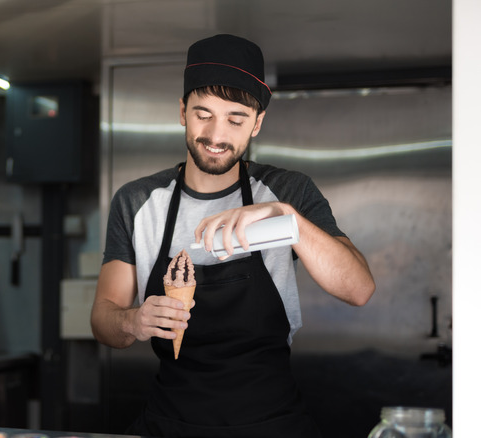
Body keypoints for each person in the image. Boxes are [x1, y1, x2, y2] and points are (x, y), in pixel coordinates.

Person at [90, 34, 375, 438]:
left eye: (236, 119)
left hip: (273, 425)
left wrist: (287, 218)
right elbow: (103, 319)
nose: (216, 134)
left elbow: (359, 288)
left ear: (257, 122)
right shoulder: (138, 202)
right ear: (182, 111)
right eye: (202, 113)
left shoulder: (287, 191)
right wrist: (134, 321)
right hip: (169, 424)